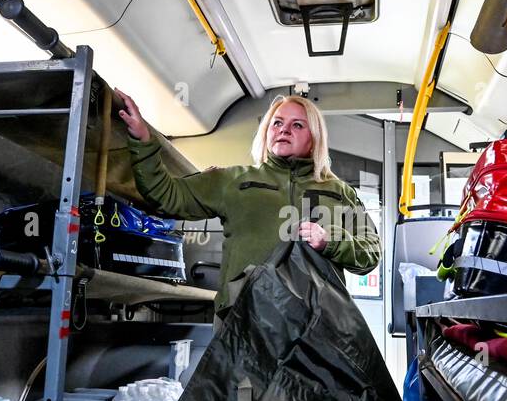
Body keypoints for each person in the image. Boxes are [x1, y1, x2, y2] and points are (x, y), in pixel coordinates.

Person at [115, 90, 381, 325]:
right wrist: (144, 140)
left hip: (314, 332)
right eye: (277, 123)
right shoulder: (233, 181)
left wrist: (330, 241)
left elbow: (370, 253)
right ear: (267, 132)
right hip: (243, 325)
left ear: (314, 139)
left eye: (297, 125)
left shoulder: (340, 193)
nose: (284, 130)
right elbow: (166, 194)